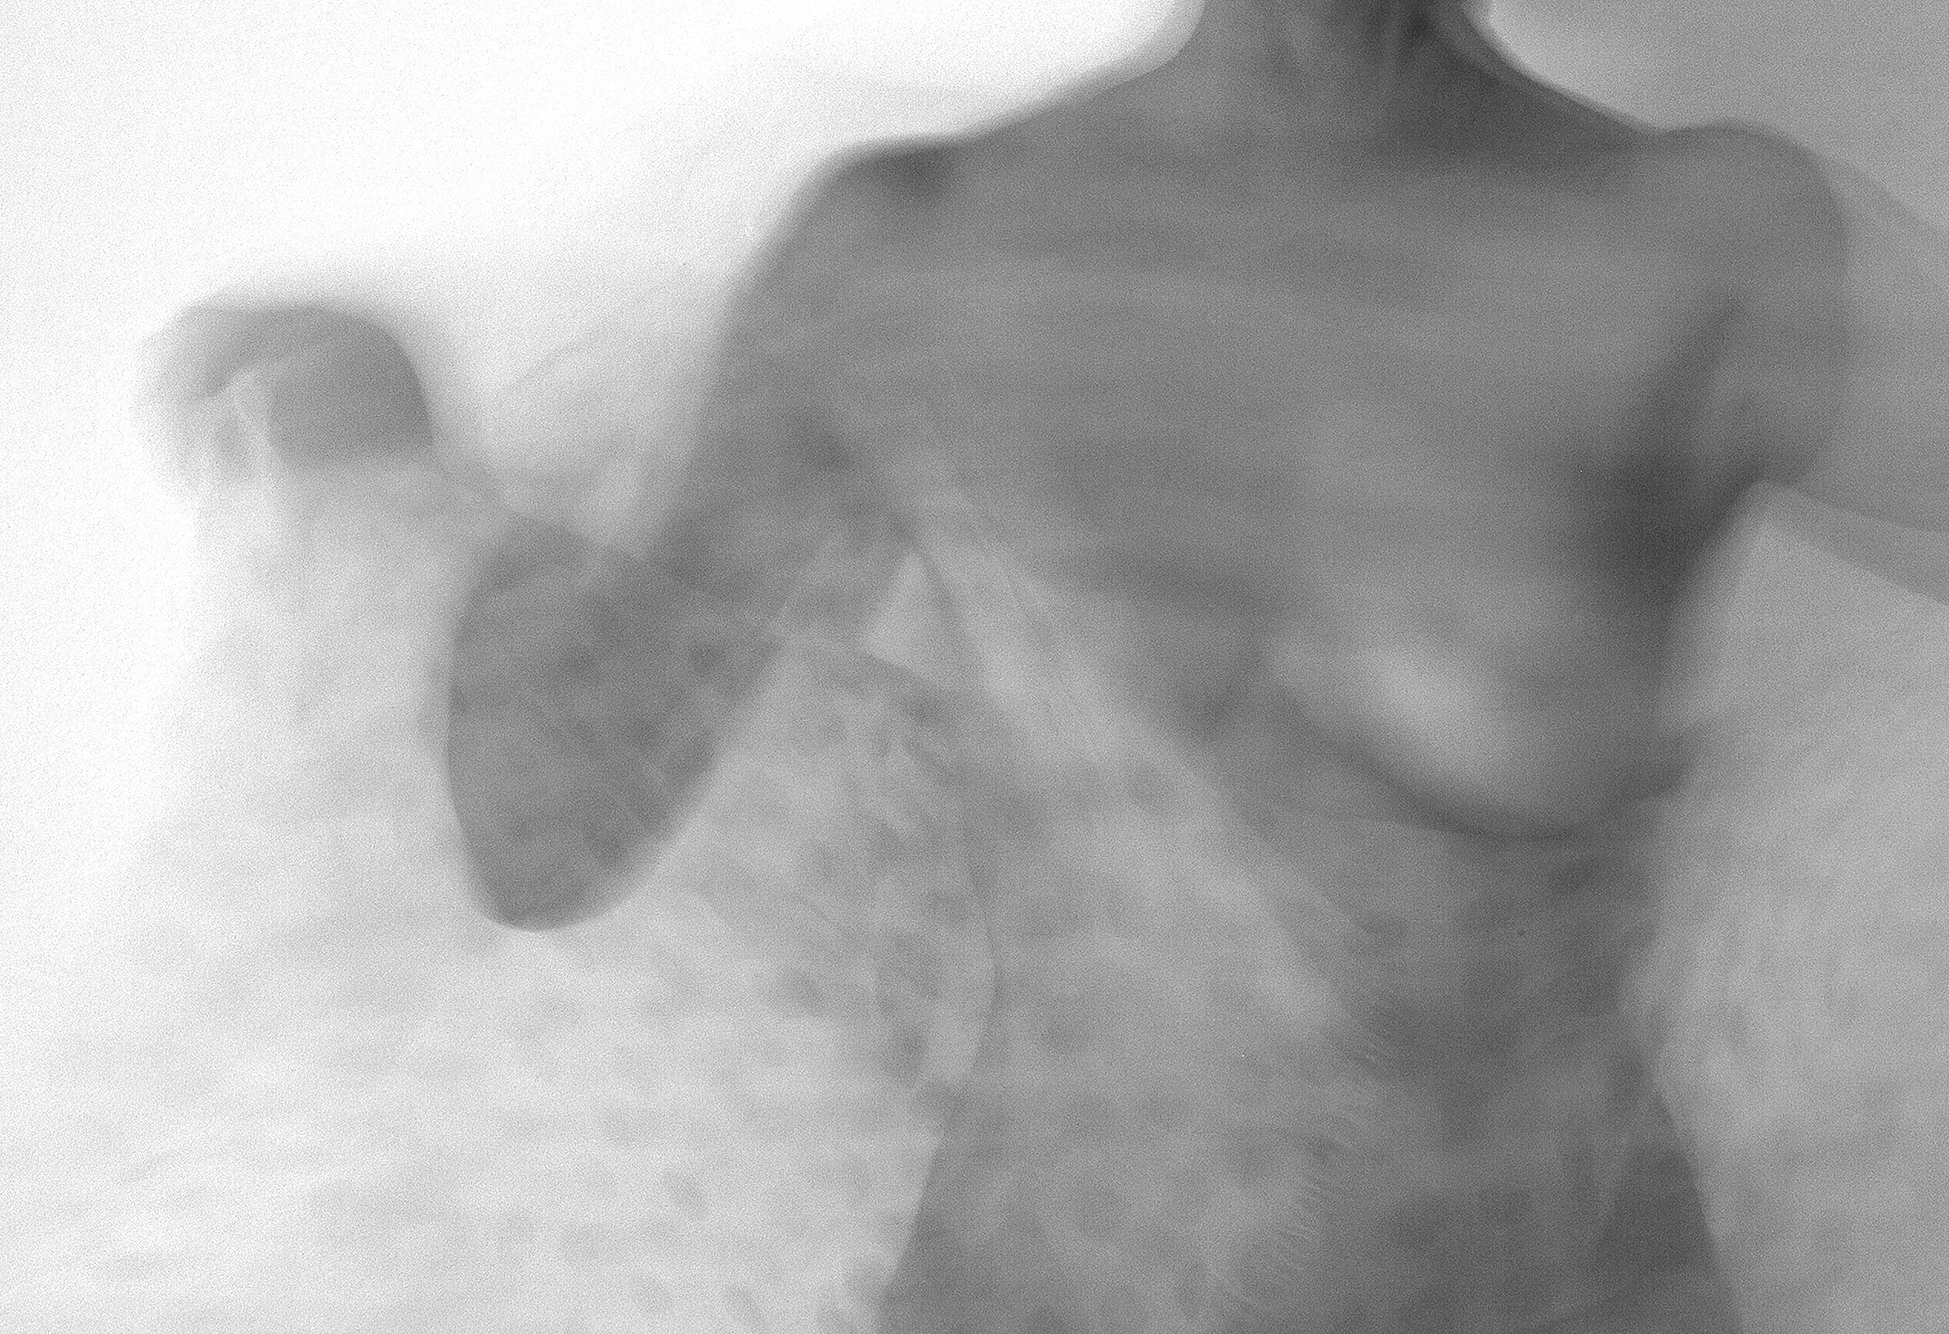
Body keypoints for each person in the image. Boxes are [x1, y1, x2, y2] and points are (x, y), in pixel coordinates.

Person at [444, 0, 1949, 1329]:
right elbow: (549, 839)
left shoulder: (1708, 246)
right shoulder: (904, 251)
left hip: (1556, 1292)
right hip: (1049, 1294)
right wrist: (403, 503)